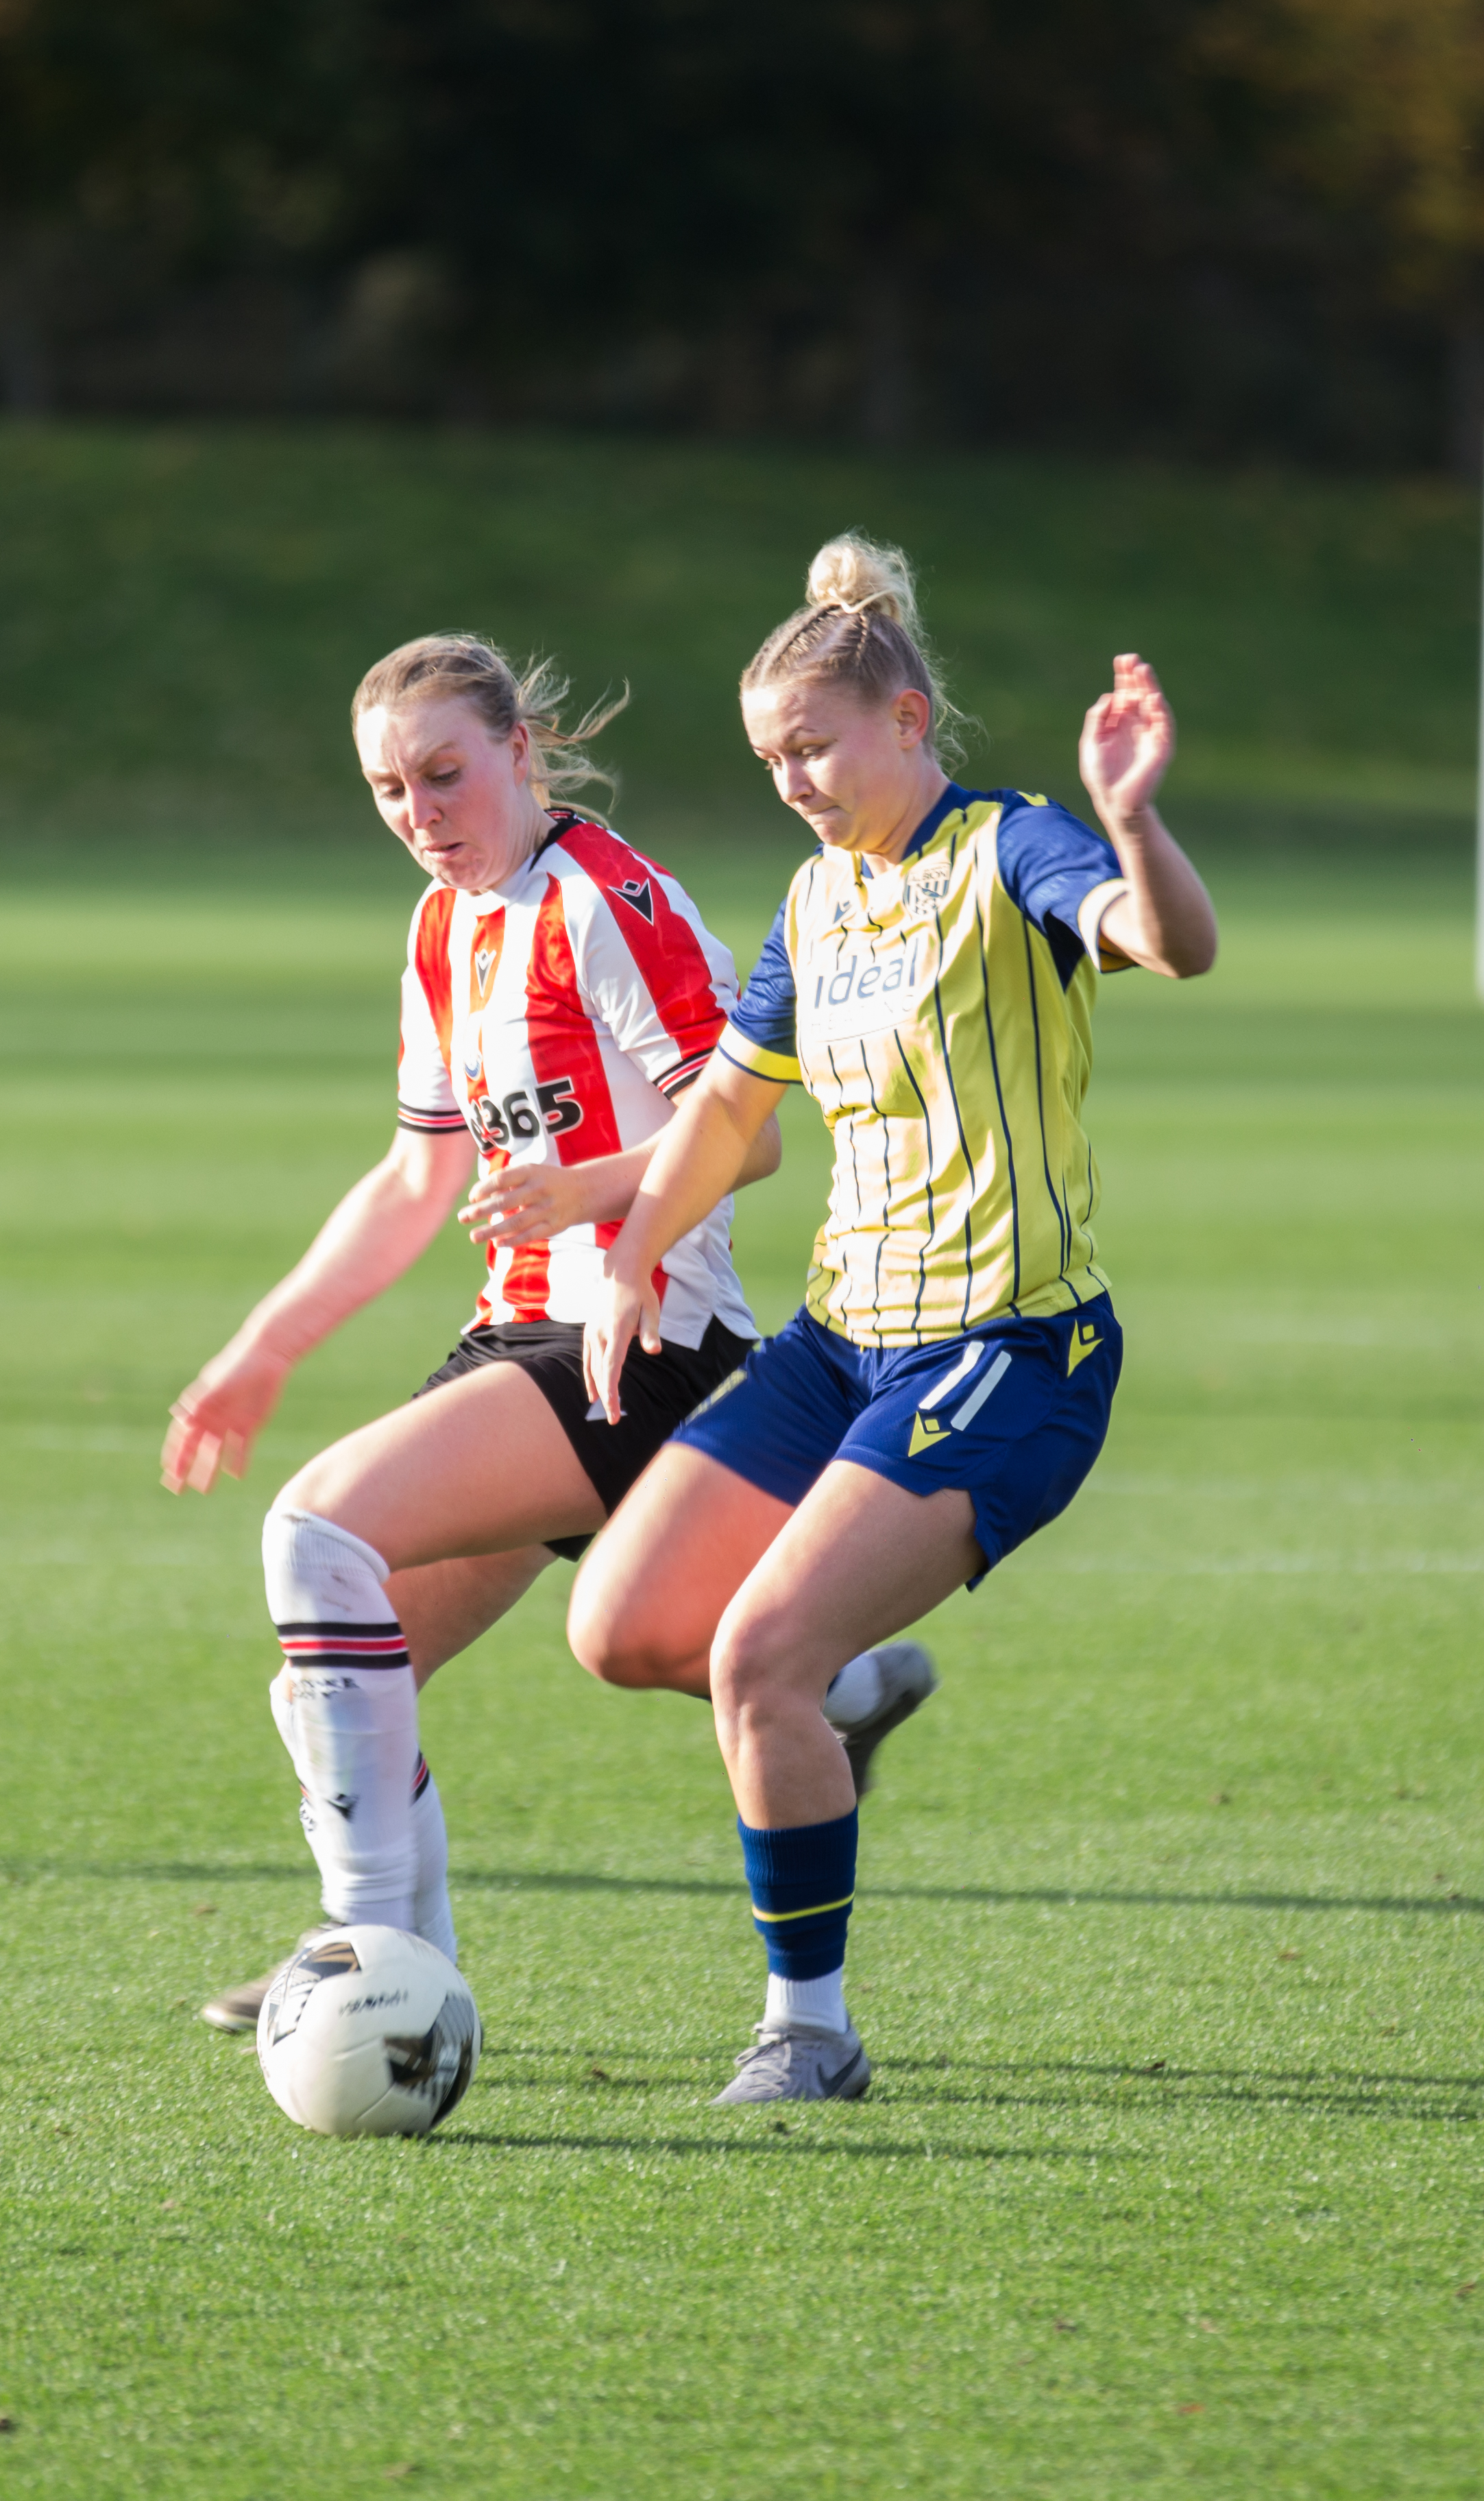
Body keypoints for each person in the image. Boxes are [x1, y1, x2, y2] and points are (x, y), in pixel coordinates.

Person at [160, 632, 938, 2035]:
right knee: (333, 1672)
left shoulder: (607, 904)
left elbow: (747, 1139)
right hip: (524, 1349)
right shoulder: (445, 927)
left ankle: (365, 1954)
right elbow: (416, 1181)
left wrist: (587, 1193)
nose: (422, 816)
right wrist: (263, 1346)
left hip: (645, 1346)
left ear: (522, 751)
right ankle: (412, 1973)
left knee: (314, 1541)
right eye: (390, 793)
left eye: (445, 776)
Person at [566, 536, 1219, 2105]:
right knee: (623, 1630)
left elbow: (1170, 945)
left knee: (751, 1655)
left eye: (812, 743)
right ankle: (846, 1694)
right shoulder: (816, 898)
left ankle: (810, 2029)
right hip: (838, 1343)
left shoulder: (1013, 848)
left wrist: (1131, 822)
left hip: (1010, 1352)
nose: (790, 777)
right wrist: (631, 1250)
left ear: (906, 721)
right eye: (768, 756)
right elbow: (725, 1110)